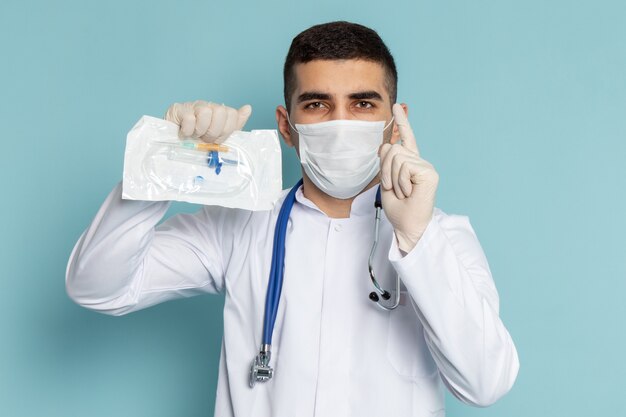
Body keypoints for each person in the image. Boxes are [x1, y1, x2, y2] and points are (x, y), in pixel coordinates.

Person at [66, 21, 519, 417]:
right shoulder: (239, 225)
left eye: (363, 104)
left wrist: (417, 239)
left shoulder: (441, 237)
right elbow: (96, 286)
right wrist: (164, 160)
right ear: (286, 126)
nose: (340, 122)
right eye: (318, 104)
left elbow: (485, 384)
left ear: (395, 124)